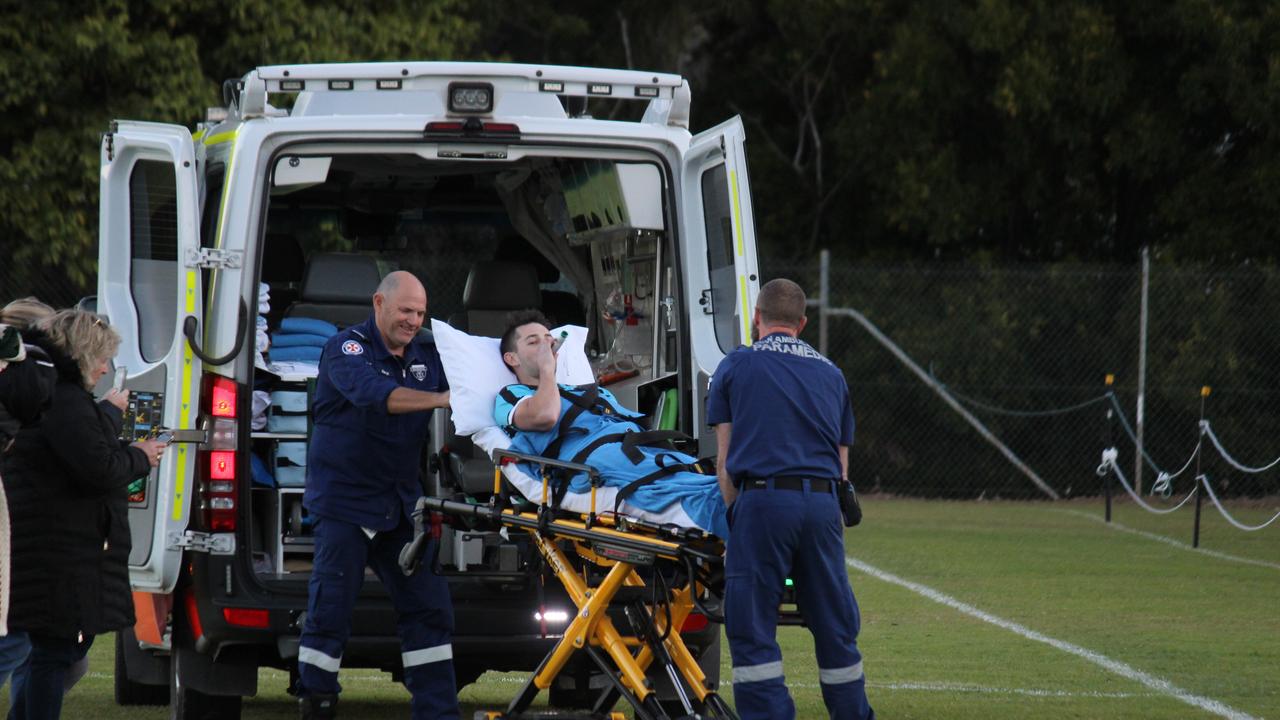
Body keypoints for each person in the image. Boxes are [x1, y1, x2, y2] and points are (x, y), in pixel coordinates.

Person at [706, 278, 874, 720]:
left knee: (753, 626)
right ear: (802, 323)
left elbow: (725, 463)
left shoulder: (735, 366)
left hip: (762, 503)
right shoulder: (831, 374)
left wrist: (734, 523)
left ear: (757, 318)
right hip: (821, 507)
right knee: (835, 624)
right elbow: (842, 470)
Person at [298, 271, 457, 720]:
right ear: (379, 303)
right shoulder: (346, 348)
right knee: (330, 613)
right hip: (345, 505)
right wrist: (442, 399)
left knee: (430, 609)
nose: (413, 321)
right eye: (405, 310)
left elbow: (479, 368)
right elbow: (376, 395)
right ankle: (317, 705)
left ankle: (438, 713)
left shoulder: (428, 350)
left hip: (400, 504)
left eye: (421, 313)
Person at [1, 309, 168, 720]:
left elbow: (81, 452)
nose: (107, 367)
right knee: (53, 654)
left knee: (51, 652)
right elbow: (96, 467)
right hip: (61, 551)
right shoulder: (66, 401)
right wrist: (140, 456)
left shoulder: (56, 398)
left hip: (49, 545)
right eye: (103, 357)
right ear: (84, 354)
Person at [494, 310, 728, 537]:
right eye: (534, 342)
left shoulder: (592, 394)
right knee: (710, 503)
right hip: (601, 467)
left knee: (733, 489)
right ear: (511, 358)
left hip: (643, 456)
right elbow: (545, 417)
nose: (547, 347)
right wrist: (547, 369)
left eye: (549, 340)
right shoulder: (512, 395)